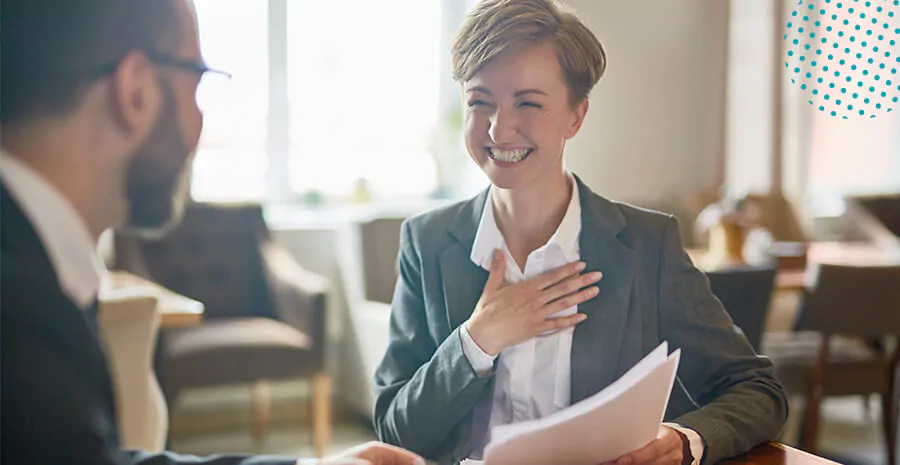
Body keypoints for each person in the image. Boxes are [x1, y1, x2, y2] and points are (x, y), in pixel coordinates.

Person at [0, 1, 424, 464]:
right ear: (136, 91)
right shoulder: (21, 309)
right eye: (197, 84)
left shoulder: (31, 266)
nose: (201, 122)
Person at [372, 1, 788, 464]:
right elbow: (395, 431)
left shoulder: (647, 247)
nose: (498, 127)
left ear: (576, 115)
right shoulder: (426, 243)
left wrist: (683, 439)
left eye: (527, 103)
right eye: (479, 101)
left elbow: (759, 391)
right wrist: (477, 339)